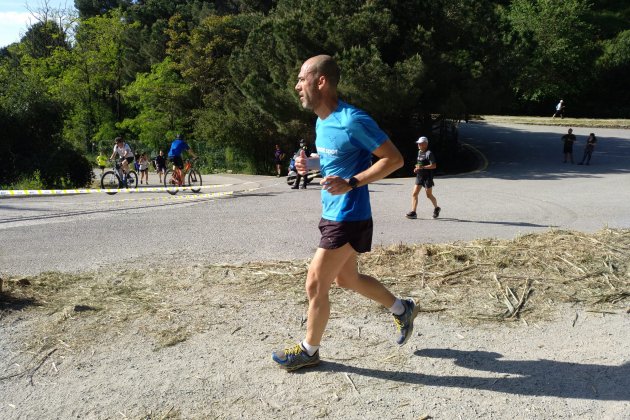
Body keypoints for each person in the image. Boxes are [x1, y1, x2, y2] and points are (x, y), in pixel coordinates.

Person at [271, 54, 417, 372]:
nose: (297, 85)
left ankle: (309, 350)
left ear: (320, 81)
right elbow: (337, 158)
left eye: (301, 78)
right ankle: (401, 308)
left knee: (315, 281)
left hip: (349, 215)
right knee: (347, 279)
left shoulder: (353, 120)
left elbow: (393, 159)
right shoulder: (322, 121)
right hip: (333, 212)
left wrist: (352, 183)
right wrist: (310, 164)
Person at [406, 136, 441, 219]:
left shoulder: (429, 153)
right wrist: (417, 168)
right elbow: (420, 164)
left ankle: (437, 208)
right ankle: (413, 212)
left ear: (425, 144)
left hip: (427, 177)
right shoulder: (419, 152)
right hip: (420, 176)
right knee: (414, 194)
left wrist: (423, 167)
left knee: (429, 195)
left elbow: (434, 165)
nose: (418, 144)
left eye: (420, 143)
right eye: (418, 143)